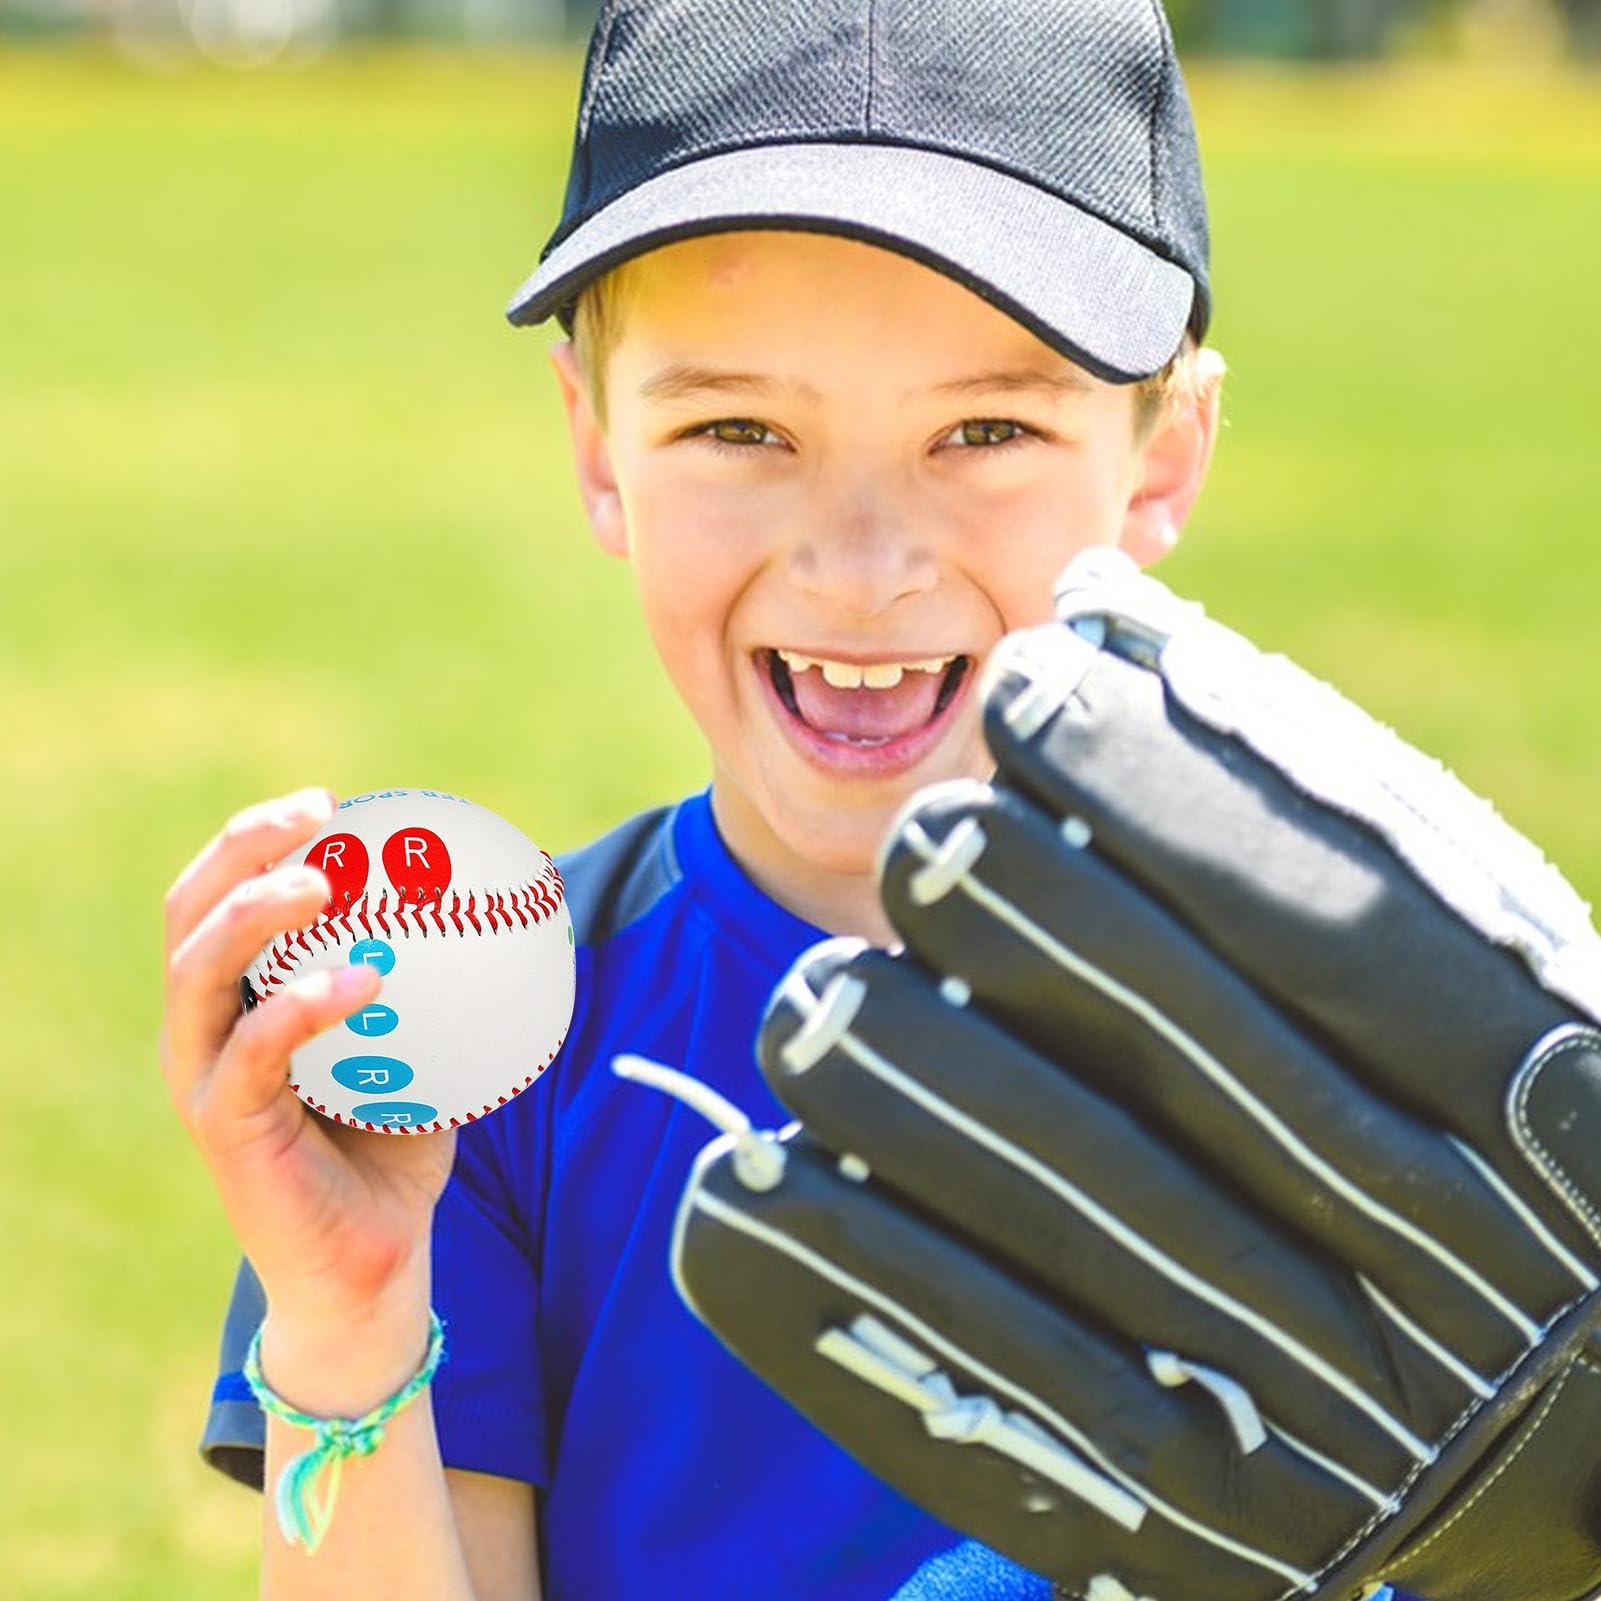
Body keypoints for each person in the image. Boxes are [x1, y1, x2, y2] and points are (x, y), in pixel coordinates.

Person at [160, 1, 1370, 1597]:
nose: (860, 566)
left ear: (1157, 460)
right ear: (598, 447)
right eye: (738, 427)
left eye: (985, 428)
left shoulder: (1362, 1049)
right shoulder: (473, 1060)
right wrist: (346, 1319)